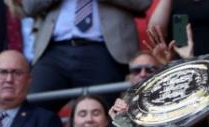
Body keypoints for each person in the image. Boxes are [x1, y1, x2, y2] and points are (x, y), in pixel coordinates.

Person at [22, 0, 151, 110]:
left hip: (104, 50)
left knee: (107, 112)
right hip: (54, 50)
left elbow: (143, 2)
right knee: (31, 106)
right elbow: (29, 6)